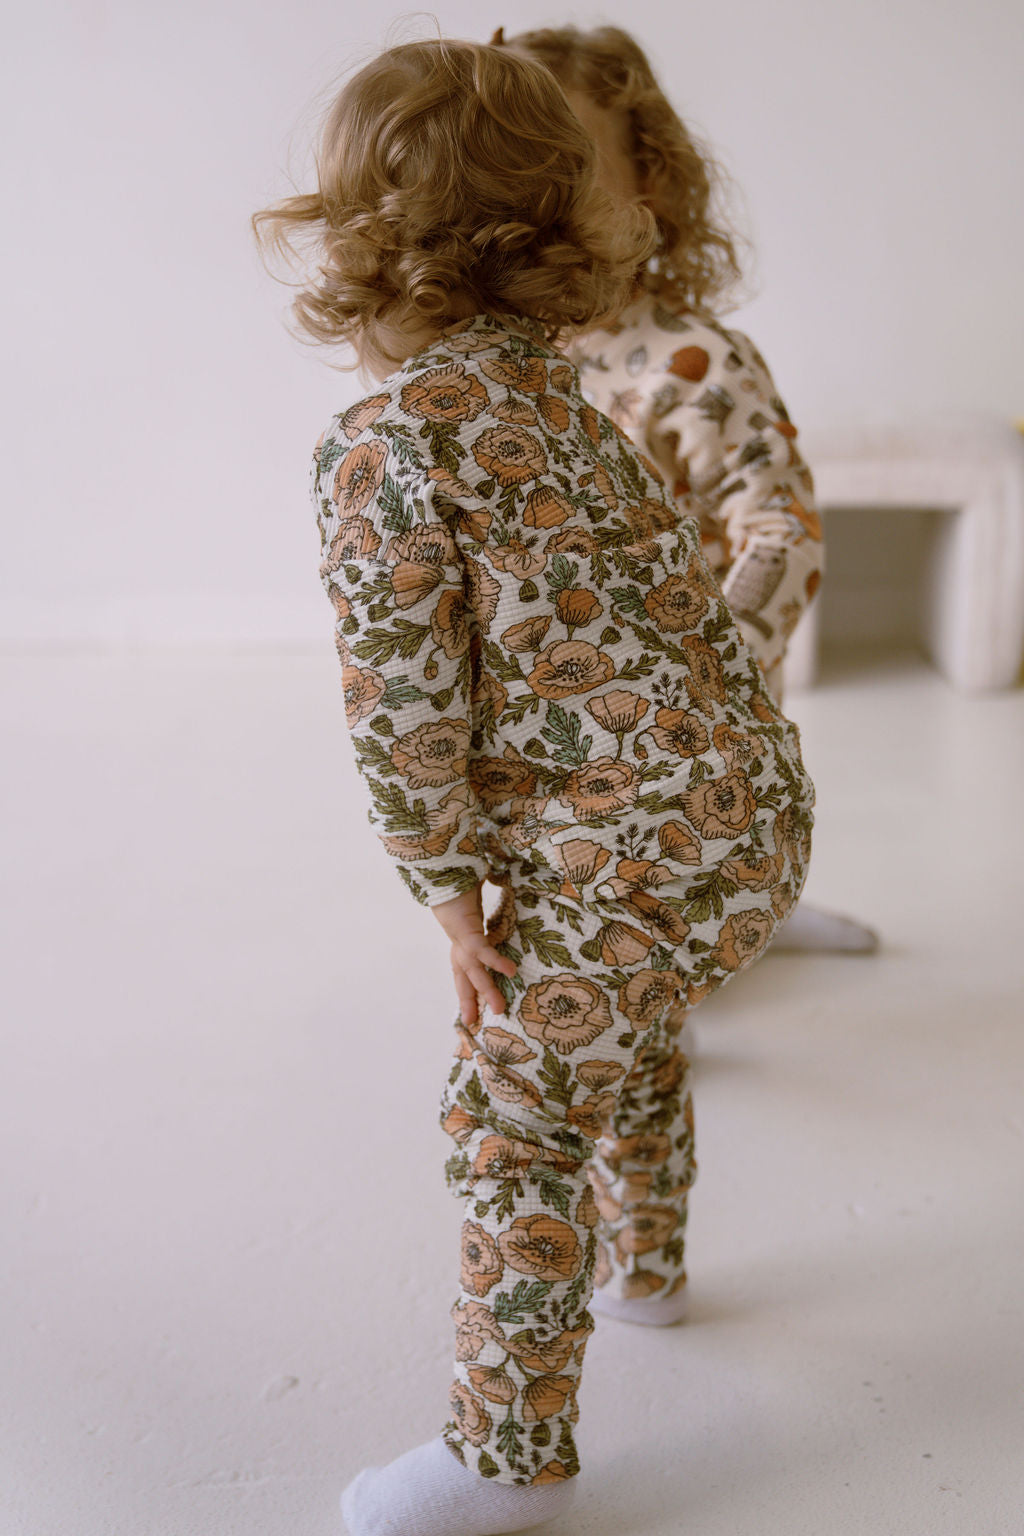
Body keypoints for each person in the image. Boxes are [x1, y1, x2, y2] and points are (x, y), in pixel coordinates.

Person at [253, 37, 814, 1536]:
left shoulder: (385, 450)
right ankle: (649, 1265)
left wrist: (446, 892)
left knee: (514, 1116)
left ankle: (509, 1463)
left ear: (357, 246)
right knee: (627, 1011)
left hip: (624, 852)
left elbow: (402, 705)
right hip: (750, 821)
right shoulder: (574, 407)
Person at [498, 23, 877, 956]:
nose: (545, 196)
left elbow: (782, 531)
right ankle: (618, 953)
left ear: (650, 184)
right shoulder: (504, 362)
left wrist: (710, 679)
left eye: (575, 164)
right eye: (516, 165)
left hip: (694, 689)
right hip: (562, 687)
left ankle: (731, 931)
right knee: (575, 856)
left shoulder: (693, 364)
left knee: (713, 833)